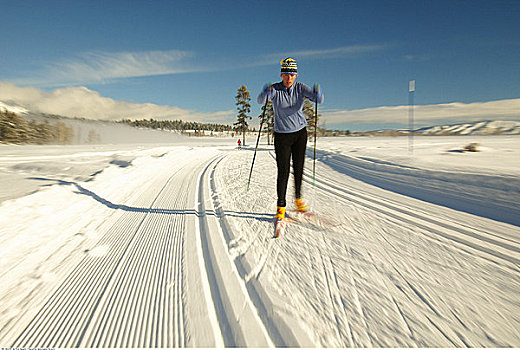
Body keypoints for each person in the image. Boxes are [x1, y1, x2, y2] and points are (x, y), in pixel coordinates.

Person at [257, 57, 323, 222]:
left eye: (292, 74)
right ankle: (281, 207)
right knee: (283, 171)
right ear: (281, 74)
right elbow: (260, 101)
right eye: (286, 74)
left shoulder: (300, 88)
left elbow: (318, 99)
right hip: (281, 136)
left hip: (300, 134)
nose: (289, 78)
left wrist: (317, 93)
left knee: (299, 168)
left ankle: (299, 201)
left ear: (296, 75)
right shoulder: (275, 89)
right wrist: (265, 93)